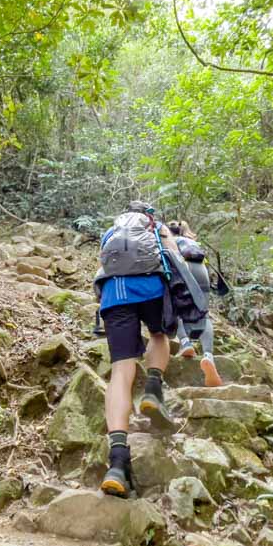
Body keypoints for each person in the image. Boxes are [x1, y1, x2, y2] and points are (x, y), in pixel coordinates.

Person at [93, 201, 179, 497]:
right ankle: (154, 388)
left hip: (114, 294)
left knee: (121, 369)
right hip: (152, 288)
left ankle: (117, 461)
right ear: (149, 215)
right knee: (158, 334)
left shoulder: (112, 230)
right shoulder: (156, 227)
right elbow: (176, 256)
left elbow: (104, 263)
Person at [167, 221, 222, 387]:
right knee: (203, 313)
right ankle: (208, 355)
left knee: (177, 309)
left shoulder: (169, 241)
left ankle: (185, 343)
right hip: (201, 273)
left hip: (184, 270)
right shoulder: (192, 243)